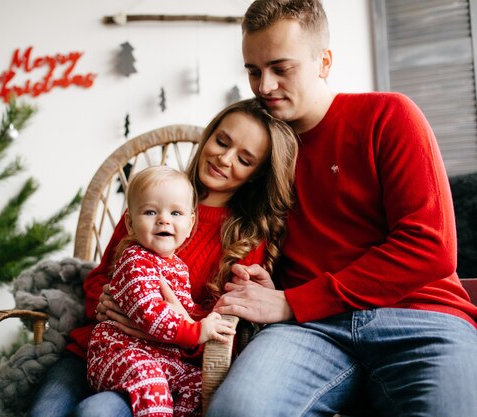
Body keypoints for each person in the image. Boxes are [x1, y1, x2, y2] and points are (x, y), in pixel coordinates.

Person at [204, 1, 477, 416]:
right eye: (253, 70)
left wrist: (294, 302)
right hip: (309, 332)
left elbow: (431, 248)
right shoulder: (258, 150)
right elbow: (209, 223)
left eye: (281, 67)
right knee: (236, 410)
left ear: (324, 62)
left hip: (420, 318)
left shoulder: (389, 115)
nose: (263, 86)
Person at [27, 98, 299, 417]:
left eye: (244, 159)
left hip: (163, 369)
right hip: (94, 349)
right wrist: (109, 302)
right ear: (209, 136)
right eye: (221, 141)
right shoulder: (154, 196)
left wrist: (169, 326)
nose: (224, 159)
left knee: (96, 412)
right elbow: (101, 277)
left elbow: (227, 326)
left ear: (256, 174)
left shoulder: (248, 237)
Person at [87, 165, 236, 417]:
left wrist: (200, 320)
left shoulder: (178, 267)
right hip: (119, 352)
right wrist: (197, 330)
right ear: (131, 224)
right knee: (151, 384)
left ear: (190, 225)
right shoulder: (135, 261)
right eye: (150, 211)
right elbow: (151, 314)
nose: (163, 219)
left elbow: (183, 308)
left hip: (162, 356)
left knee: (197, 386)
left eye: (175, 212)